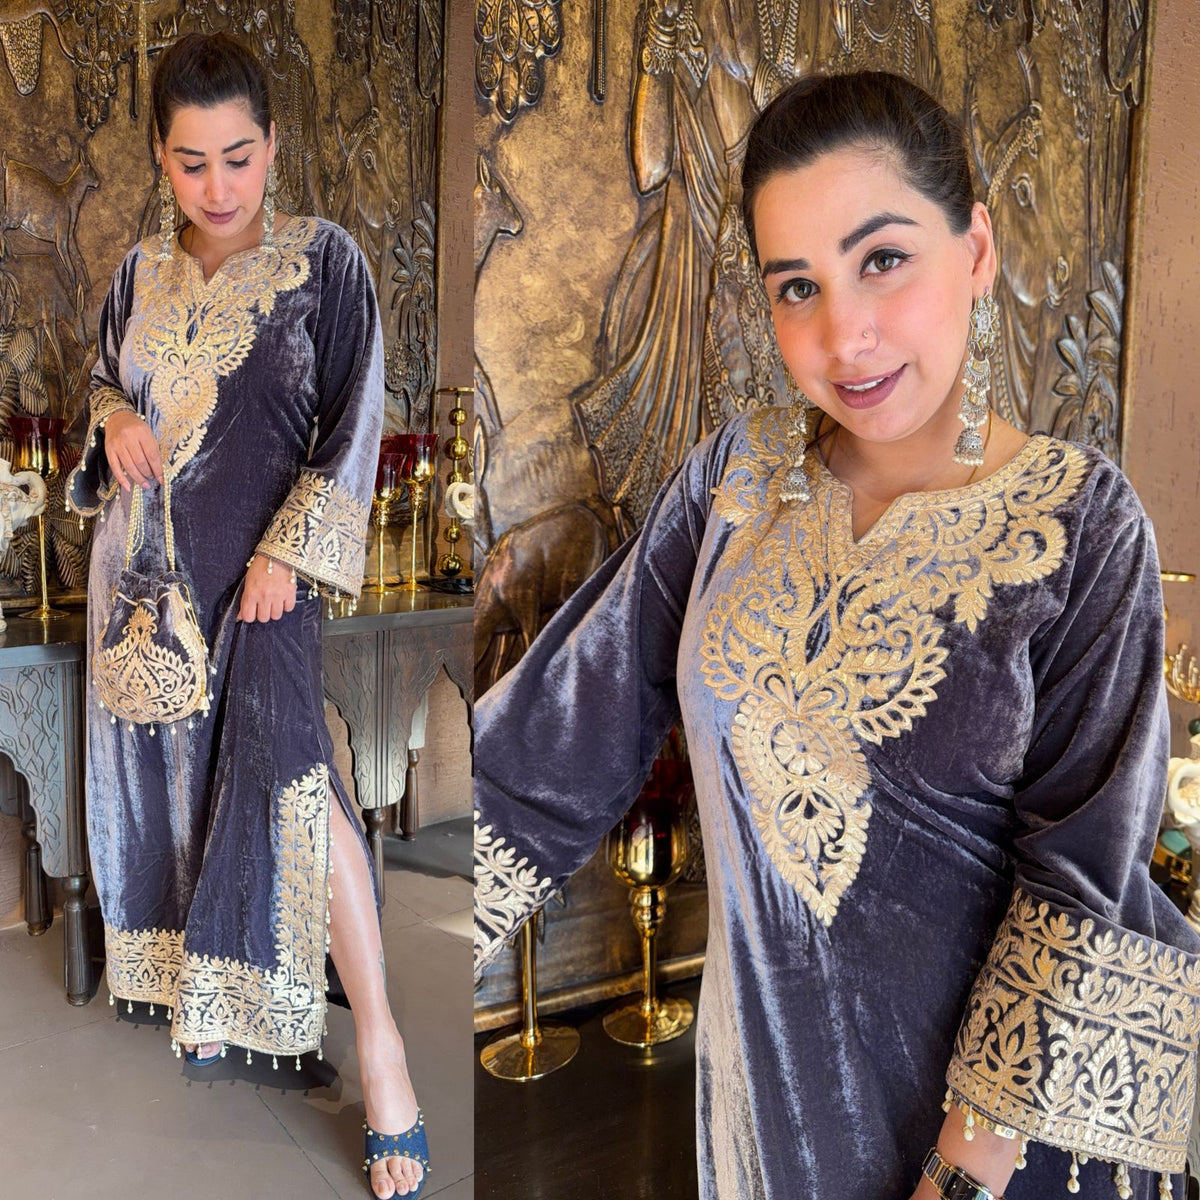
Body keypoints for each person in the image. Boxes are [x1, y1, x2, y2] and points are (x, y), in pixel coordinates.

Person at [473, 71, 1200, 1200]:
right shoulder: (733, 482)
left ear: (977, 250)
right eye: (797, 286)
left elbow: (1080, 882)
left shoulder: (1082, 523)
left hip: (999, 1150)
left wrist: (958, 1181)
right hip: (764, 1119)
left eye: (884, 260)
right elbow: (550, 743)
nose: (843, 335)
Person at [66, 33, 427, 1200]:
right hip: (146, 588)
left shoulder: (328, 264)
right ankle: (213, 1006)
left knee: (295, 782)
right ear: (159, 158)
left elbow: (355, 418)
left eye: (237, 157)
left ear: (272, 146)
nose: (217, 186)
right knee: (178, 795)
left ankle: (383, 1050)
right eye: (191, 163)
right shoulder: (135, 274)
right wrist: (116, 420)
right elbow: (102, 385)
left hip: (268, 577)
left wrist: (290, 553)